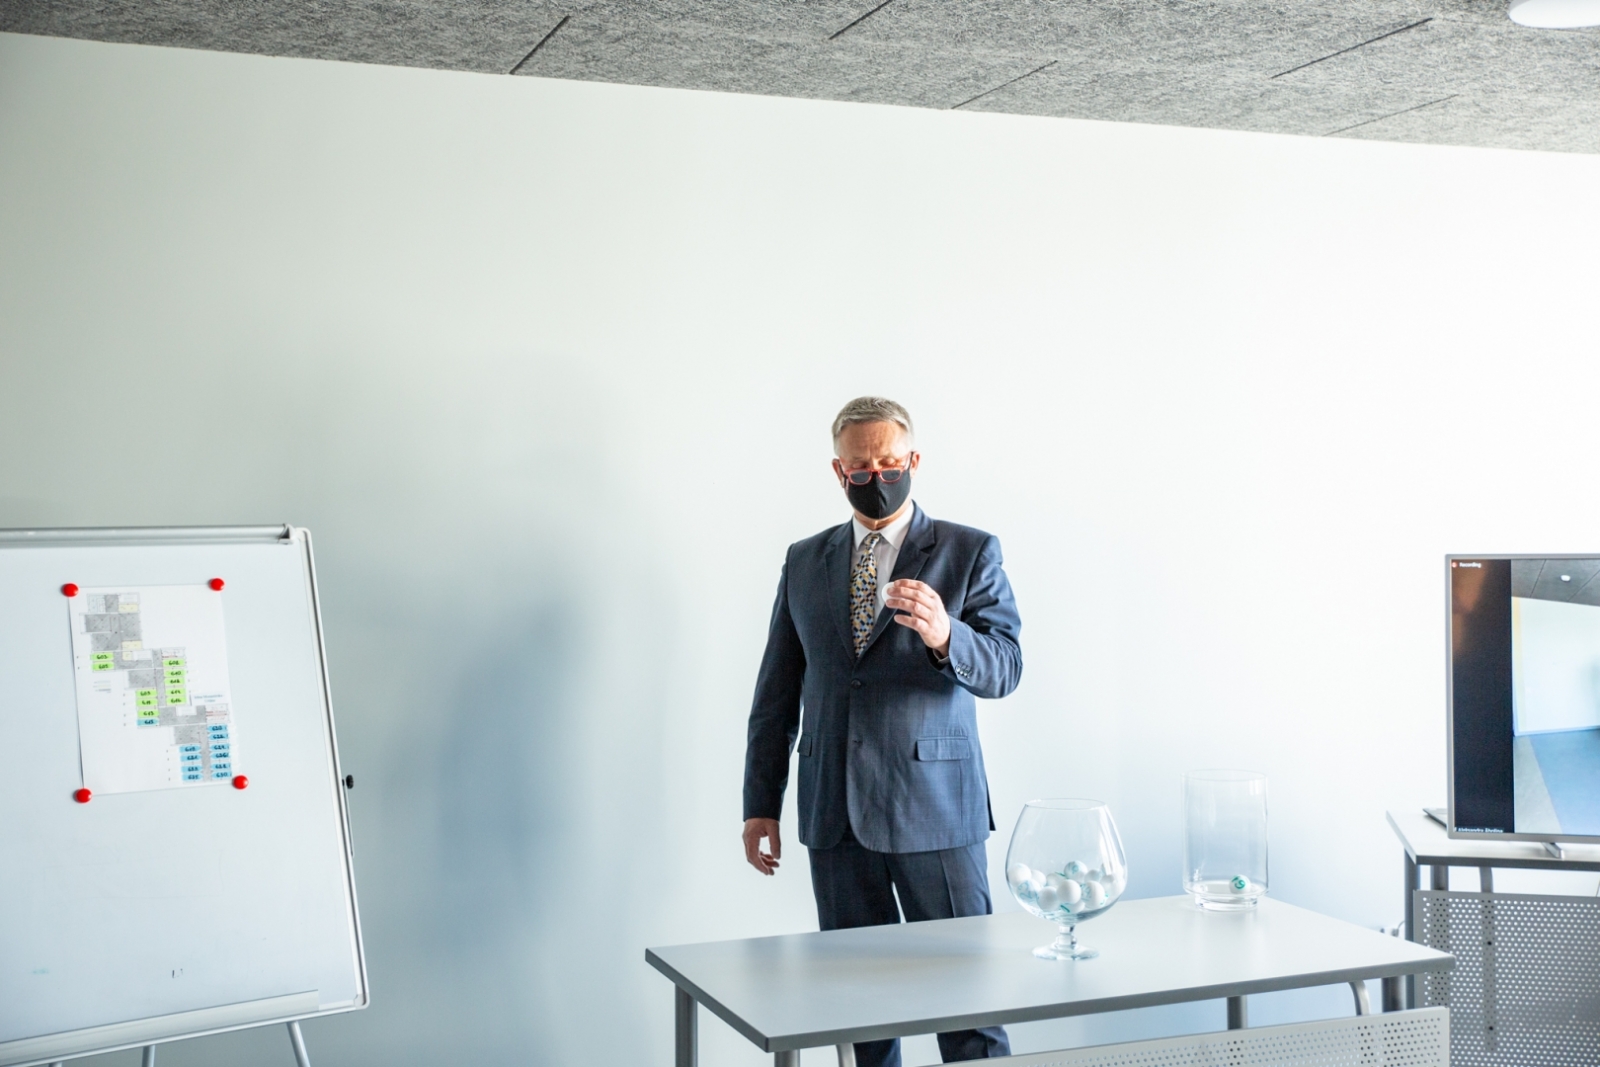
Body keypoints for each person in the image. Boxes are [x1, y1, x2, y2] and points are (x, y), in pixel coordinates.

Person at [742, 397, 1023, 1067]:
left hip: (938, 815)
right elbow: (776, 692)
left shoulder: (967, 550)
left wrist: (945, 634)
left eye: (890, 461)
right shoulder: (804, 560)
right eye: (861, 465)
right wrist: (760, 804)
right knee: (860, 1016)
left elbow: (1006, 666)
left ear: (913, 461)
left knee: (969, 1012)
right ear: (839, 470)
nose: (877, 474)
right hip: (834, 813)